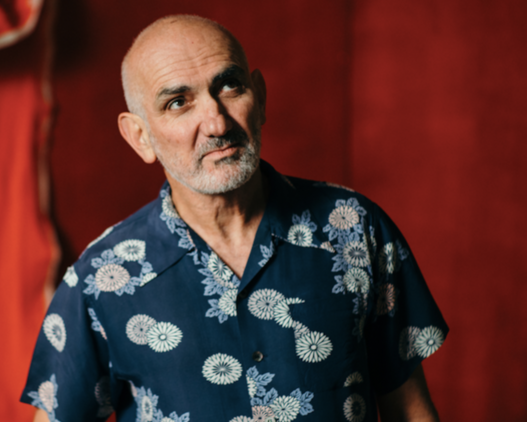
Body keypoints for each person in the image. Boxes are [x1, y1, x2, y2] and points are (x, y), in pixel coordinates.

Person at [22, 15, 447, 422]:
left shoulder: (354, 227)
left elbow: (409, 411)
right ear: (140, 136)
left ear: (259, 98)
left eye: (229, 86)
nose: (215, 121)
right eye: (177, 102)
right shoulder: (103, 276)